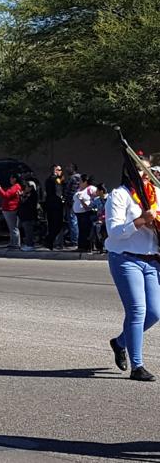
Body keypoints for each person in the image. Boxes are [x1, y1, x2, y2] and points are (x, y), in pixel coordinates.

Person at [105, 158, 160, 381]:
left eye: (147, 168)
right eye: (139, 168)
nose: (144, 173)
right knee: (137, 310)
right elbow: (114, 231)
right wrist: (140, 221)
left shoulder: (155, 193)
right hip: (125, 258)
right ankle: (137, 366)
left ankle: (120, 343)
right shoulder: (119, 195)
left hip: (152, 259)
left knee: (155, 313)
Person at [0, 174, 22, 249]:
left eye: (11, 178)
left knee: (13, 227)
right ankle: (13, 242)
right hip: (9, 209)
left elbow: (6, 195)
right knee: (11, 227)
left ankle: (16, 244)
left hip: (11, 209)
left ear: (14, 179)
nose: (10, 180)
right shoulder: (15, 187)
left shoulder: (15, 187)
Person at [73, 175, 97, 252]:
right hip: (79, 213)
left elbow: (95, 198)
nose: (79, 182)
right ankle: (81, 246)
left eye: (80, 181)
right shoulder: (79, 189)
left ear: (85, 182)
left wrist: (89, 205)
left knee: (85, 230)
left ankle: (86, 246)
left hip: (86, 212)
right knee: (81, 229)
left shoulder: (90, 188)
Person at [44, 164, 65, 250]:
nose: (61, 171)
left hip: (49, 204)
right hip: (56, 204)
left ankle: (49, 242)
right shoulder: (56, 179)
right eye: (59, 170)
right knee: (58, 224)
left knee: (52, 224)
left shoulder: (48, 179)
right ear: (55, 171)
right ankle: (48, 240)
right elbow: (59, 190)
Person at [18, 181, 39, 252]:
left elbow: (26, 203)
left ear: (31, 187)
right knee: (26, 231)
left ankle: (30, 245)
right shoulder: (28, 194)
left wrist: (22, 196)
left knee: (28, 231)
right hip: (25, 215)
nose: (25, 189)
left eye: (27, 187)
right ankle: (28, 244)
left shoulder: (33, 195)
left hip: (29, 216)